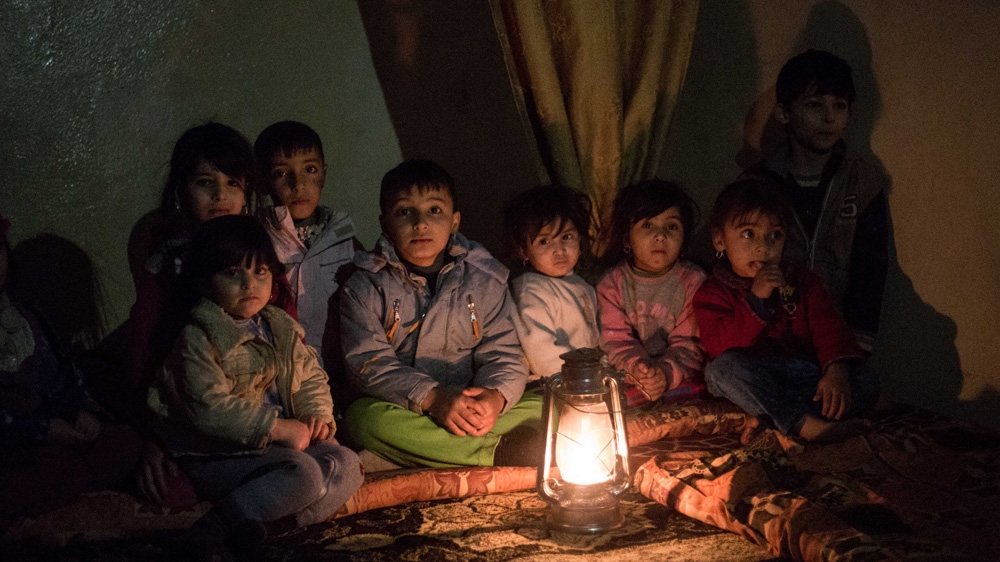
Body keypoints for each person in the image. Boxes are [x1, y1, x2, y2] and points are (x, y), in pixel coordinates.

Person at [147, 215, 363, 560]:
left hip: (276, 448)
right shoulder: (199, 336)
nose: (249, 284)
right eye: (234, 273)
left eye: (259, 272)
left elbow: (309, 376)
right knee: (305, 473)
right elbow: (208, 408)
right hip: (217, 453)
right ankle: (215, 528)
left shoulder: (279, 326)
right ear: (205, 282)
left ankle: (273, 528)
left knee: (348, 464)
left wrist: (316, 416)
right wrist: (277, 429)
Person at [340, 159, 542, 469]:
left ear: (455, 221)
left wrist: (494, 397)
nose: (420, 223)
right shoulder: (366, 285)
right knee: (362, 420)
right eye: (405, 212)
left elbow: (504, 353)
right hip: (410, 407)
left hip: (471, 401)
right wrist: (433, 399)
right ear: (385, 225)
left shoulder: (483, 278)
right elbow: (370, 365)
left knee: (548, 404)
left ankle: (432, 450)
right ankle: (496, 453)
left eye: (434, 210)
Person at [124, 123, 278, 507]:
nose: (220, 196)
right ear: (181, 191)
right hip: (189, 411)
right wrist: (156, 437)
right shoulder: (168, 265)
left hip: (259, 407)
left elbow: (287, 339)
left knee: (313, 465)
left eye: (233, 184)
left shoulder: (259, 258)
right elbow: (145, 351)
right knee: (169, 492)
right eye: (205, 183)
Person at [694, 179, 879, 444]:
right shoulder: (712, 293)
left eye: (775, 236)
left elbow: (828, 326)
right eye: (749, 234)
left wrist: (835, 369)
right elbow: (719, 346)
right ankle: (806, 426)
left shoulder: (802, 280)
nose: (763, 247)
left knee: (866, 380)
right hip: (751, 378)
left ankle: (773, 421)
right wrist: (756, 298)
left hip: (799, 376)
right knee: (720, 370)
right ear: (719, 239)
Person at [741, 49, 889, 355]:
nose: (829, 117)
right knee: (726, 372)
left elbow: (870, 269)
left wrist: (853, 351)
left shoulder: (862, 183)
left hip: (834, 338)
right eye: (814, 105)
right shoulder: (758, 184)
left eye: (839, 106)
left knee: (862, 386)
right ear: (784, 113)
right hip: (774, 336)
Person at [0, 212, 141, 531]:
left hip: (56, 433)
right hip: (16, 445)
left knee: (123, 443)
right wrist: (40, 430)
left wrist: (81, 413)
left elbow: (65, 378)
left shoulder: (27, 317)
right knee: (53, 468)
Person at [255, 121, 360, 368]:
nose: (298, 184)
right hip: (280, 368)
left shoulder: (343, 235)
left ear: (323, 173)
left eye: (310, 169)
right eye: (281, 173)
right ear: (263, 181)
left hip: (338, 367)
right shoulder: (257, 238)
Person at [596, 180, 706, 407]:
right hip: (631, 375)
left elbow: (690, 343)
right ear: (627, 238)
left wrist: (665, 373)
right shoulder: (612, 285)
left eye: (671, 227)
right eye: (648, 226)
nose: (660, 236)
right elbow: (615, 341)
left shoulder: (694, 281)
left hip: (677, 375)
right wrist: (639, 369)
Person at [502, 185, 599, 383]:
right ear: (523, 251)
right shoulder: (529, 291)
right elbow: (542, 354)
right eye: (544, 242)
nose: (559, 250)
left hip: (586, 379)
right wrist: (585, 378)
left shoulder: (582, 286)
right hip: (552, 384)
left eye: (566, 237)